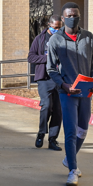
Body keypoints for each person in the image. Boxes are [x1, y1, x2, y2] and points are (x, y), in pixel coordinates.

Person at [46, 2, 93, 186]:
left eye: (75, 15)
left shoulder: (88, 37)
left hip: (86, 92)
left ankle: (69, 158)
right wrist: (64, 85)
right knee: (70, 130)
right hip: (67, 93)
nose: (72, 18)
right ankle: (72, 170)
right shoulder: (56, 40)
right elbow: (51, 69)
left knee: (83, 129)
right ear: (63, 18)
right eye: (69, 15)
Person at [28, 15, 63, 151]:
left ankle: (53, 139)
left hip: (59, 79)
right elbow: (31, 57)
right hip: (44, 78)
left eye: (60, 28)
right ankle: (41, 133)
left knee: (58, 110)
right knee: (46, 106)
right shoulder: (40, 39)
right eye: (55, 28)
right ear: (48, 25)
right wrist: (47, 58)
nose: (57, 30)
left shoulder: (62, 39)